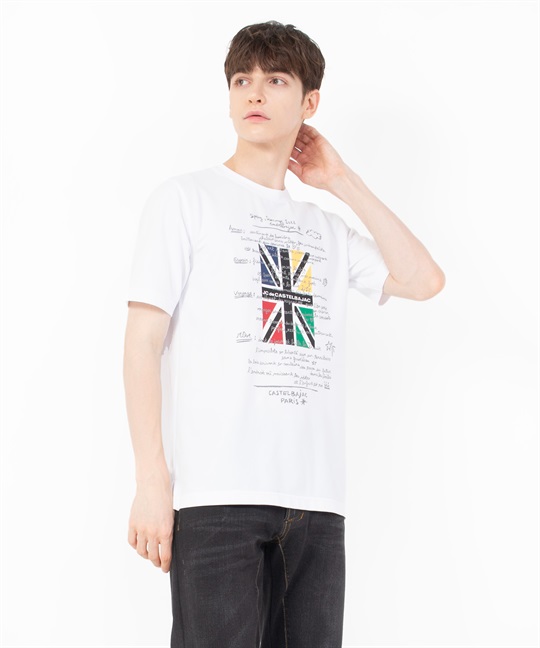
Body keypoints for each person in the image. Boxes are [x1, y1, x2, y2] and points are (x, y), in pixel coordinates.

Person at [123, 20, 445, 648]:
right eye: (241, 79)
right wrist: (151, 480)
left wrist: (341, 181)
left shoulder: (325, 229)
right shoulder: (185, 200)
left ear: (309, 102)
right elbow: (141, 343)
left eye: (275, 80)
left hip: (316, 504)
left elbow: (423, 280)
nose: (254, 92)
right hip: (218, 499)